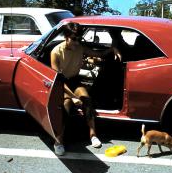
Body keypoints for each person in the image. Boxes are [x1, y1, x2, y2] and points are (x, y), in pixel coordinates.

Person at [50, 22, 121, 156]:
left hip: (74, 81)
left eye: (79, 39)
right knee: (66, 105)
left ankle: (93, 135)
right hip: (61, 84)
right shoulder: (56, 52)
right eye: (74, 39)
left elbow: (98, 54)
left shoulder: (80, 48)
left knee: (87, 100)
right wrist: (73, 97)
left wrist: (113, 49)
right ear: (66, 37)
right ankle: (58, 140)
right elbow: (58, 81)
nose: (77, 42)